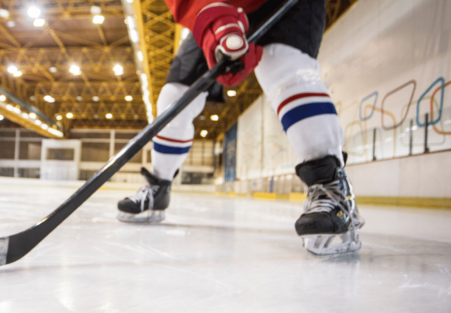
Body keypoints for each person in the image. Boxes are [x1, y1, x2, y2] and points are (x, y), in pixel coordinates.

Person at [116, 0, 365, 256]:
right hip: (214, 7)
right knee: (173, 97)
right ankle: (159, 186)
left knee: (285, 67)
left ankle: (331, 186)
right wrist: (217, 24)